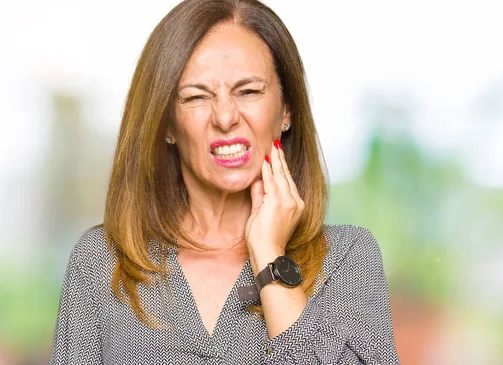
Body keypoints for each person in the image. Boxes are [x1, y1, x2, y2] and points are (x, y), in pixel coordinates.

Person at [49, 0, 400, 363]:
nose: (225, 117)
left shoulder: (346, 260)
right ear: (167, 124)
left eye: (248, 91)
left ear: (286, 110)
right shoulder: (102, 264)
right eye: (196, 96)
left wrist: (270, 254)